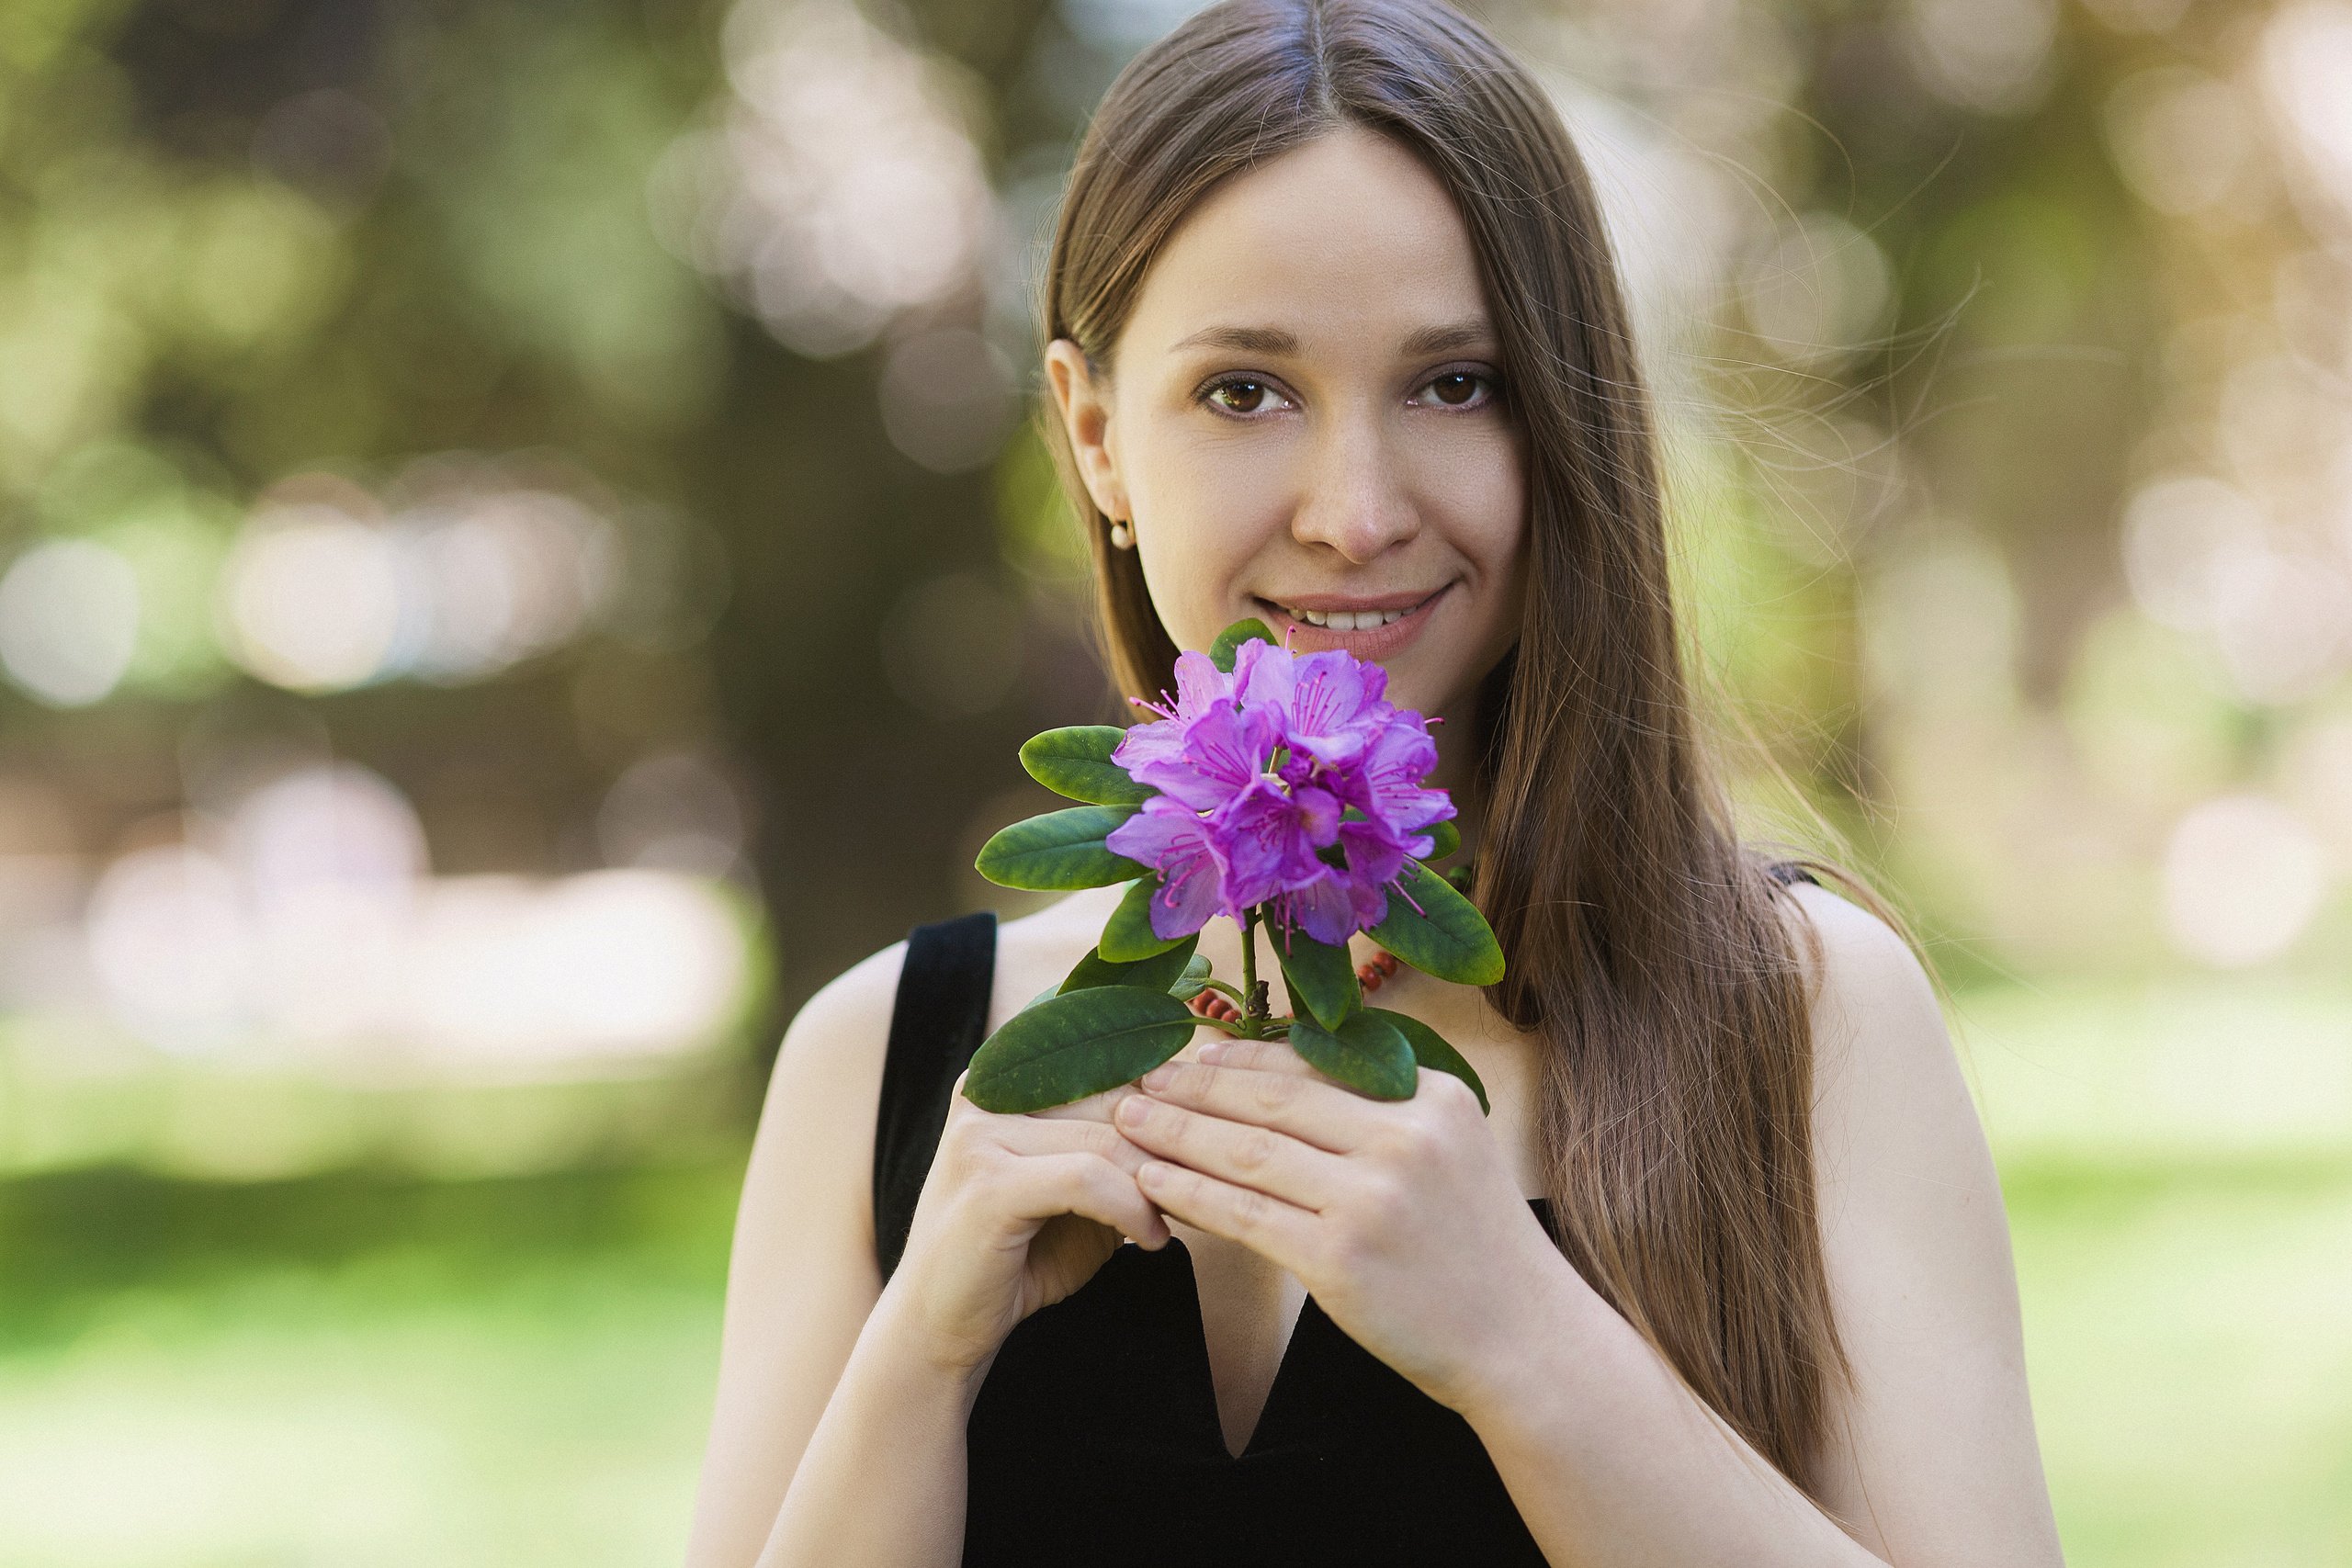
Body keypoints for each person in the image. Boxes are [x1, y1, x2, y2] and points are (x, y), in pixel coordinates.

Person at [685, 0, 2066, 1562]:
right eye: (1244, 391)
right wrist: (922, 1356)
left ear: (1570, 424)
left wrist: (1521, 1340)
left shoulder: (1801, 1014)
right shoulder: (886, 1059)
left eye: (1455, 384)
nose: (1354, 511)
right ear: (1094, 440)